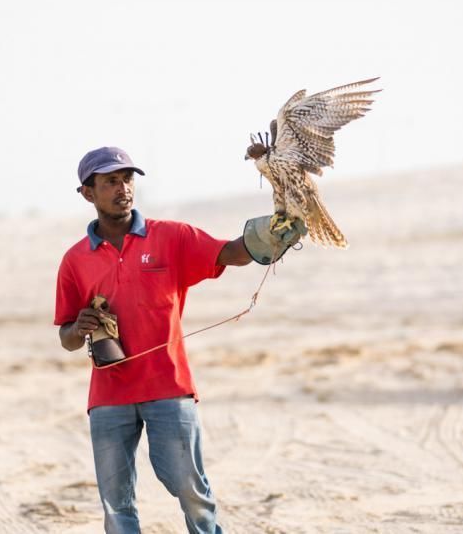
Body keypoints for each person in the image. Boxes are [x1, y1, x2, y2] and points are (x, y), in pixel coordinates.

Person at [54, 146, 303, 534]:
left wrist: (269, 237)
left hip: (169, 387)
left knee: (191, 491)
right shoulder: (74, 260)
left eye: (127, 179)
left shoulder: (171, 236)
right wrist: (79, 326)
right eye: (110, 182)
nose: (123, 189)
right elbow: (66, 338)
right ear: (88, 193)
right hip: (108, 397)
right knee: (116, 503)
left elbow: (230, 252)